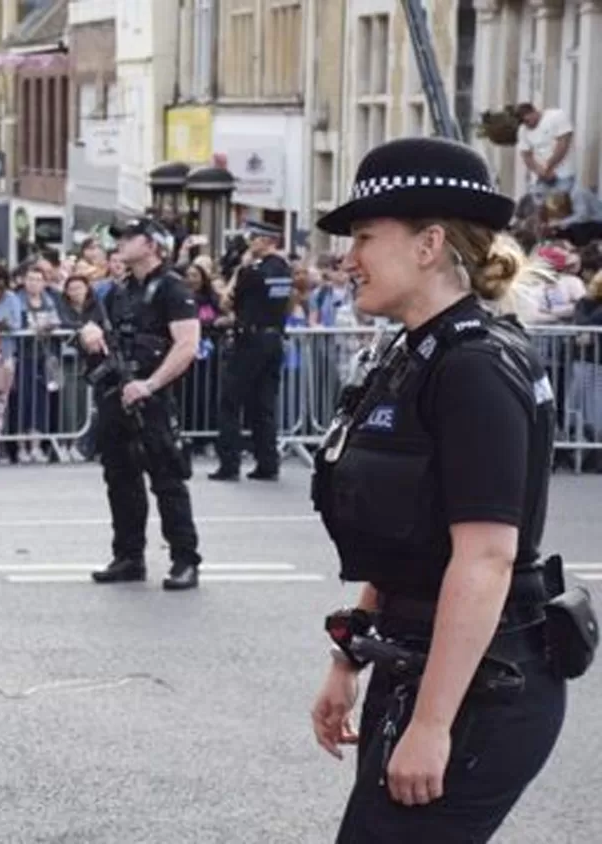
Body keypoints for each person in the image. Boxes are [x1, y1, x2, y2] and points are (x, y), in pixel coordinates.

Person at [309, 137, 569, 842]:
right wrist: (349, 653)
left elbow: (485, 558)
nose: (348, 255)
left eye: (364, 236)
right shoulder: (411, 352)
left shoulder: (474, 366)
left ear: (428, 245)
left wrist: (432, 723)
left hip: (483, 685)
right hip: (421, 661)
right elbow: (403, 540)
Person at [85, 217, 203, 591]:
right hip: (117, 393)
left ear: (151, 244)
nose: (120, 244)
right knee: (119, 477)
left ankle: (185, 559)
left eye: (129, 238)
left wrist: (150, 384)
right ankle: (129, 555)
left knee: (167, 477)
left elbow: (187, 345)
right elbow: (102, 330)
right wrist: (89, 334)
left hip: (152, 396)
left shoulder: (172, 287)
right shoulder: (119, 290)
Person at [210, 219, 292, 481]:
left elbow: (226, 302)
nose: (250, 242)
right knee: (264, 404)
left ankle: (229, 463)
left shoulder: (252, 271)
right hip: (273, 338)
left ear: (268, 241)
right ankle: (268, 463)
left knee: (230, 402)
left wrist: (238, 271)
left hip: (250, 341)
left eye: (255, 237)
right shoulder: (283, 268)